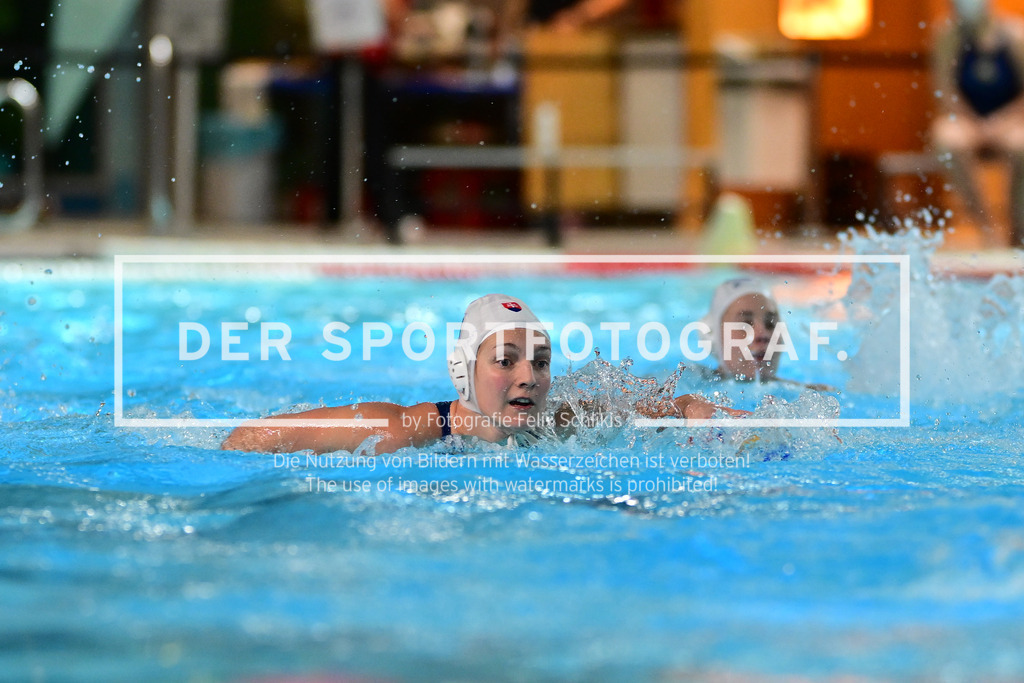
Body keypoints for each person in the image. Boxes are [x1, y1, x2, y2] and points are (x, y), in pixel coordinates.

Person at [222, 293, 744, 455]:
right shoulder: (404, 430)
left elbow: (673, 408)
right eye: (506, 360)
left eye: (541, 362)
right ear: (463, 371)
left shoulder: (563, 420)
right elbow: (248, 437)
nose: (529, 377)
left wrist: (697, 411)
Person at [931, 0, 1024, 246]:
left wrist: (1001, 121)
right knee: (945, 140)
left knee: (1022, 145)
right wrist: (974, 122)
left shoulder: (1016, 35)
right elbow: (944, 90)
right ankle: (985, 224)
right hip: (967, 119)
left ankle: (1017, 226)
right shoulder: (948, 36)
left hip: (1011, 119)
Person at [695, 277, 834, 391]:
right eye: (745, 324)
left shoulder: (811, 394)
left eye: (771, 324)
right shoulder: (691, 383)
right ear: (713, 337)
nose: (763, 335)